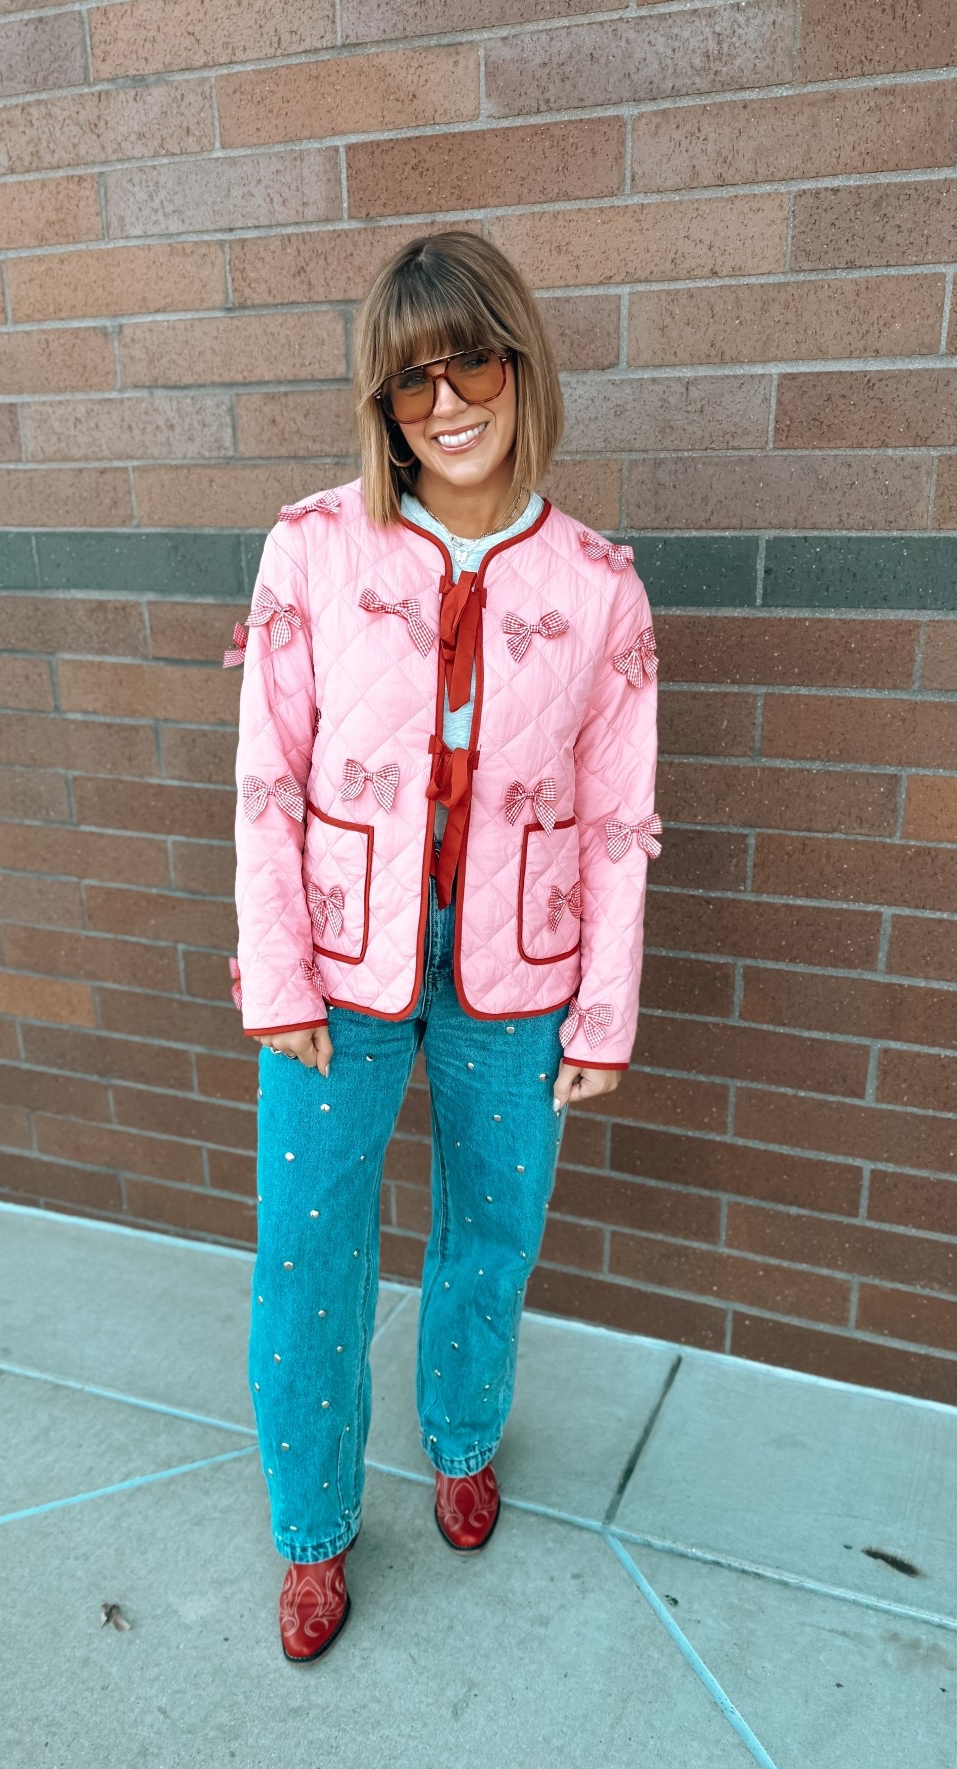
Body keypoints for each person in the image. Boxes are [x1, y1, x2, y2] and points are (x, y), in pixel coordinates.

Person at [226, 231, 660, 1662]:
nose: (446, 404)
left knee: (495, 1231)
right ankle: (312, 1530)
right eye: (411, 382)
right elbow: (268, 781)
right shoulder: (311, 545)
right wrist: (279, 973)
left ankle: (463, 1433)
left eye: (468, 361)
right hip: (342, 970)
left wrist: (603, 1012)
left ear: (517, 365)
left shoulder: (598, 584)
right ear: (383, 405)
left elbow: (617, 816)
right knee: (307, 1254)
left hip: (514, 971)